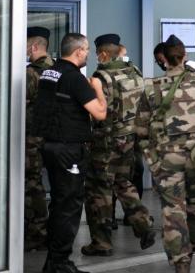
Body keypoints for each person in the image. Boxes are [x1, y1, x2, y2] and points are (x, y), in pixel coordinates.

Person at [137, 35, 195, 273]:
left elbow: (141, 129)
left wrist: (151, 157)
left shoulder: (151, 87)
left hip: (166, 160)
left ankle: (180, 263)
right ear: (185, 57)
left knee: (173, 212)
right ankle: (192, 244)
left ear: (164, 60)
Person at [31, 33, 107, 273]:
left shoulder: (49, 73)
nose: (87, 54)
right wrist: (98, 88)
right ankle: (60, 263)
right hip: (69, 150)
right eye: (85, 50)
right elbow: (100, 113)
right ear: (78, 51)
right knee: (69, 206)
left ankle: (53, 261)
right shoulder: (75, 78)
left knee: (59, 203)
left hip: (50, 147)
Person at [82, 34, 155, 257]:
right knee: (123, 183)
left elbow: (97, 112)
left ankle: (101, 243)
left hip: (106, 142)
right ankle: (145, 225)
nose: (96, 57)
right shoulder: (135, 72)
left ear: (103, 54)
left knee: (98, 189)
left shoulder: (101, 77)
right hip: (129, 140)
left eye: (97, 53)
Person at [24, 26, 54, 251]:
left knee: (32, 185)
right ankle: (52, 231)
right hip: (56, 139)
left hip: (33, 139)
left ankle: (37, 232)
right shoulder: (59, 69)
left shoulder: (31, 73)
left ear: (33, 46)